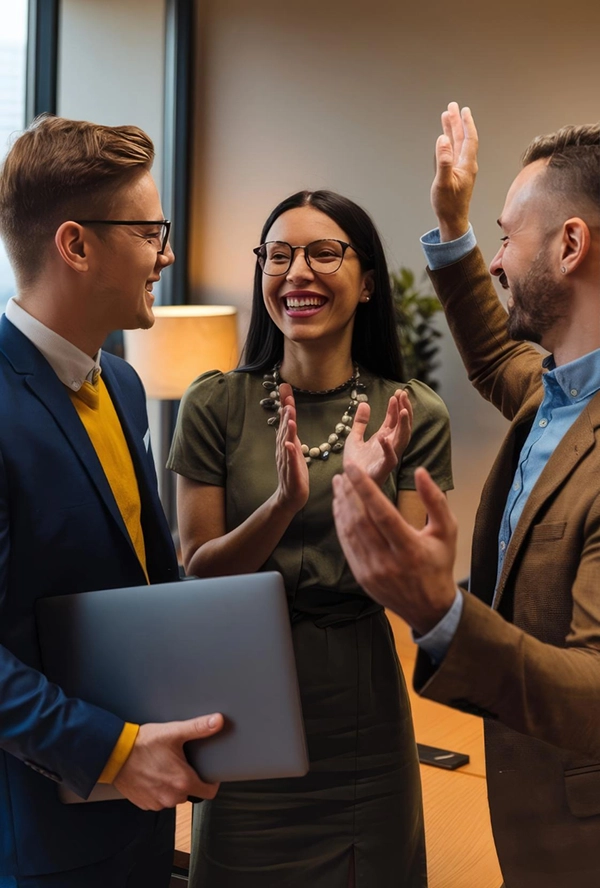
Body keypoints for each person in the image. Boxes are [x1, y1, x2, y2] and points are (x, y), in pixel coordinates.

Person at [332, 104, 600, 888]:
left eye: (506, 235)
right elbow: (492, 354)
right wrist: (451, 224)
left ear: (573, 244)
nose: (495, 259)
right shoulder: (557, 393)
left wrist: (439, 613)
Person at [167, 188, 453, 887]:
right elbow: (200, 572)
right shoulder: (215, 404)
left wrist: (365, 499)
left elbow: (414, 593)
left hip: (361, 708)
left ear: (367, 284)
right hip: (243, 701)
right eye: (279, 254)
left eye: (324, 252)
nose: (297, 272)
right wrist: (283, 505)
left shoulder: (411, 412)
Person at [0, 115, 224, 888]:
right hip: (42, 839)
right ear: (76, 245)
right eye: (150, 231)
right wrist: (116, 754)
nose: (167, 254)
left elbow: (138, 584)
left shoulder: (123, 384)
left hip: (144, 818)